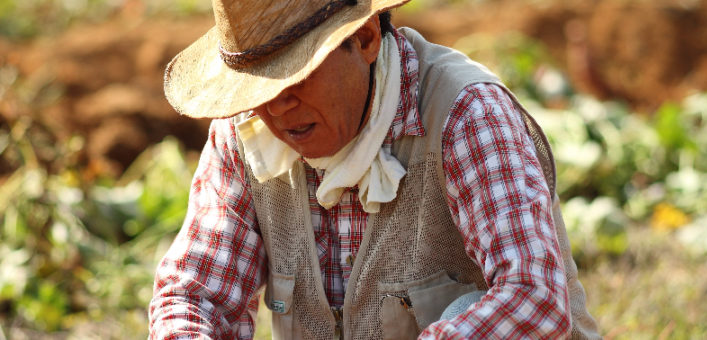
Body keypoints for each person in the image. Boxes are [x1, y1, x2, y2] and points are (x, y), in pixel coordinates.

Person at [149, 0, 601, 339]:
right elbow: (193, 296)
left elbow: (534, 295)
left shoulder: (463, 113)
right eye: (258, 85)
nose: (277, 105)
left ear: (365, 39)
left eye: (295, 74)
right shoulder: (244, 136)